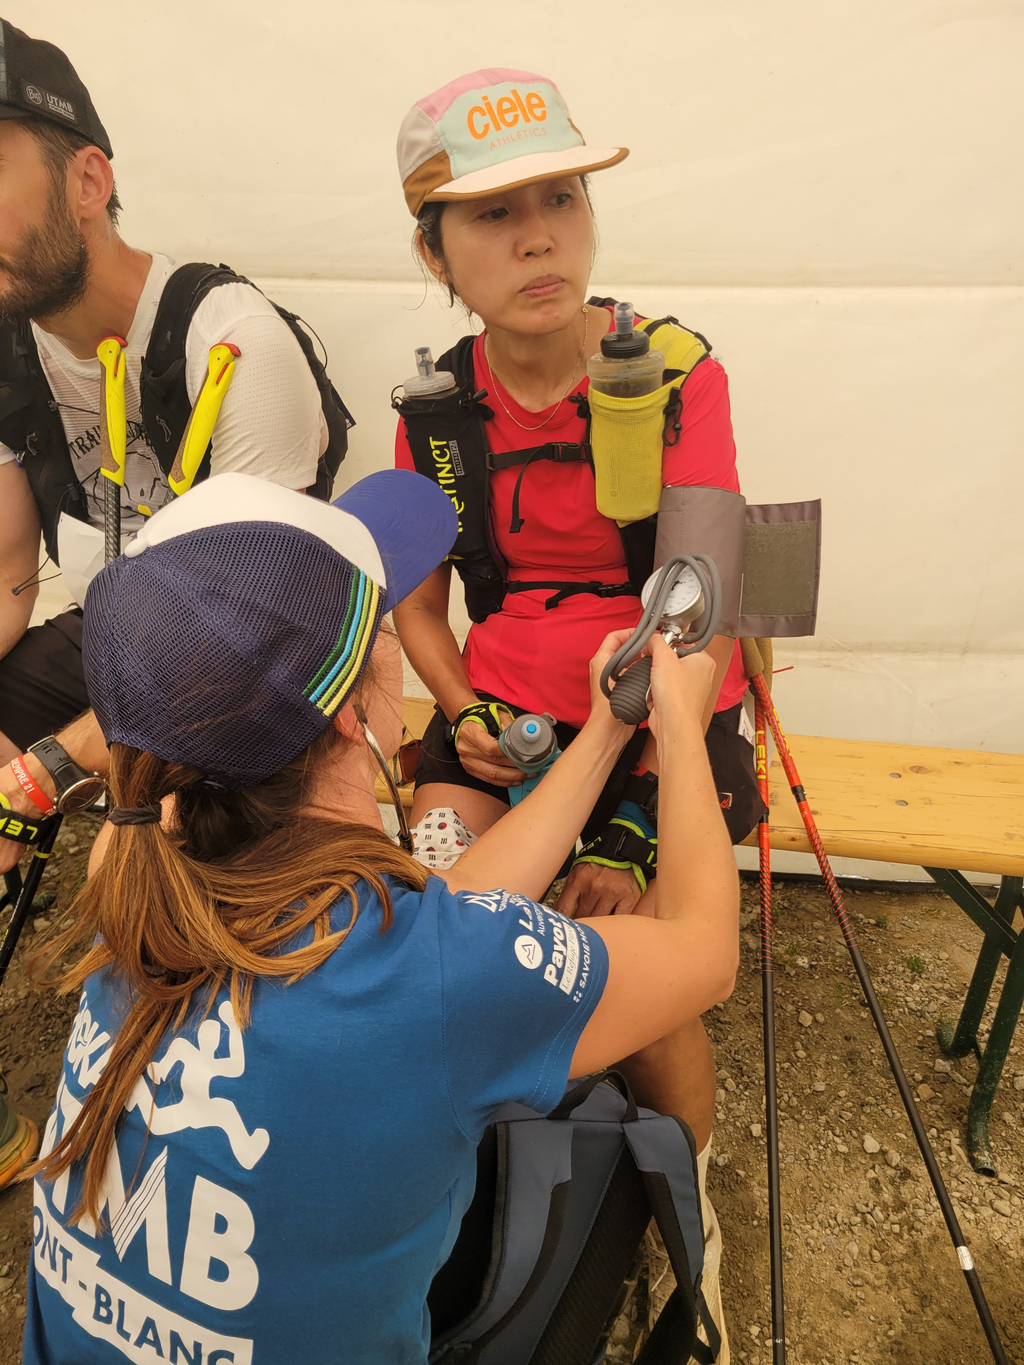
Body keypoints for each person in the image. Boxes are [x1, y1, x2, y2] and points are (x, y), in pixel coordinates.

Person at [21, 468, 738, 1364]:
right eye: (386, 623)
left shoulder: (132, 868)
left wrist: (609, 727)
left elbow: (446, 913)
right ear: (354, 714)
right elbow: (703, 950)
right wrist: (683, 723)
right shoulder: (438, 979)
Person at [392, 68, 763, 930]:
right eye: (494, 214)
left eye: (561, 199)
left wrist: (637, 821)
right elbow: (419, 610)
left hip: (671, 713)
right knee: (444, 924)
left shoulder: (679, 378)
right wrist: (465, 711)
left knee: (629, 963)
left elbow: (708, 612)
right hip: (505, 714)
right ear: (433, 253)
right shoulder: (438, 413)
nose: (539, 240)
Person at [0, 20, 347, 875]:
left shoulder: (233, 341)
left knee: (161, 849)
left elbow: (248, 631)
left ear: (89, 181)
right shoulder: (7, 346)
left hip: (258, 657)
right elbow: (6, 577)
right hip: (115, 628)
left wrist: (54, 764)